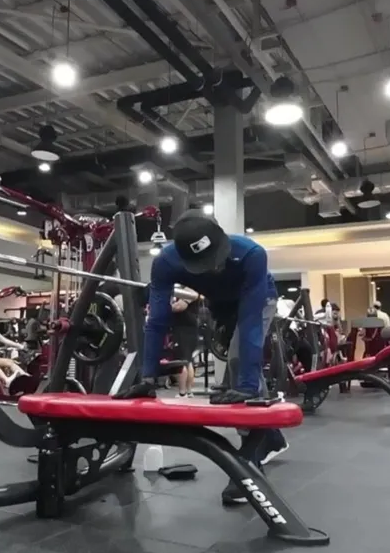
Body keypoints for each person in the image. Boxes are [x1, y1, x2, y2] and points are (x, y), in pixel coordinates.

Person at [123, 211, 288, 505]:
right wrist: (147, 376)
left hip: (259, 297)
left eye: (217, 259)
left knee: (239, 364)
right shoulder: (166, 263)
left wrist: (248, 387)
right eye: (205, 265)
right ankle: (271, 438)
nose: (214, 267)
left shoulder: (251, 254)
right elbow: (157, 321)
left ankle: (250, 460)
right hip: (221, 305)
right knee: (237, 367)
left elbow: (250, 322)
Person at [168, 288, 201, 397]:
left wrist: (162, 308)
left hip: (184, 330)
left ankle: (182, 392)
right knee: (188, 360)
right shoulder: (186, 290)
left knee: (182, 361)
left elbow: (179, 307)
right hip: (186, 329)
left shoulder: (190, 289)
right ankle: (189, 391)